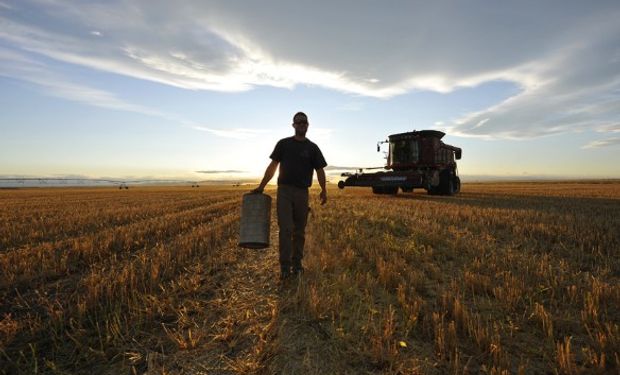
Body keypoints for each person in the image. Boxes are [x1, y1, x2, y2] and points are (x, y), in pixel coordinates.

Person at [252, 112, 327, 279]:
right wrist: (261, 186)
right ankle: (285, 266)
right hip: (284, 191)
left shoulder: (312, 148)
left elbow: (320, 170)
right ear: (293, 125)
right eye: (298, 122)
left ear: (308, 125)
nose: (302, 125)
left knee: (299, 231)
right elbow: (273, 166)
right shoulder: (283, 144)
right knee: (286, 229)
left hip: (302, 193)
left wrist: (324, 190)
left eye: (304, 122)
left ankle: (297, 263)